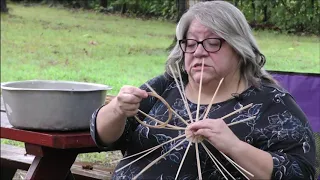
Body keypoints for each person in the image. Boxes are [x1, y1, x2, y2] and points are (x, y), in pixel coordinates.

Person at [90, 1, 316, 179]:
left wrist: (234, 146)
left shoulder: (270, 103)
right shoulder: (167, 85)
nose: (198, 52)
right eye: (190, 43)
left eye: (212, 42)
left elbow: (300, 171)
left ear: (239, 47)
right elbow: (102, 136)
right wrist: (118, 109)